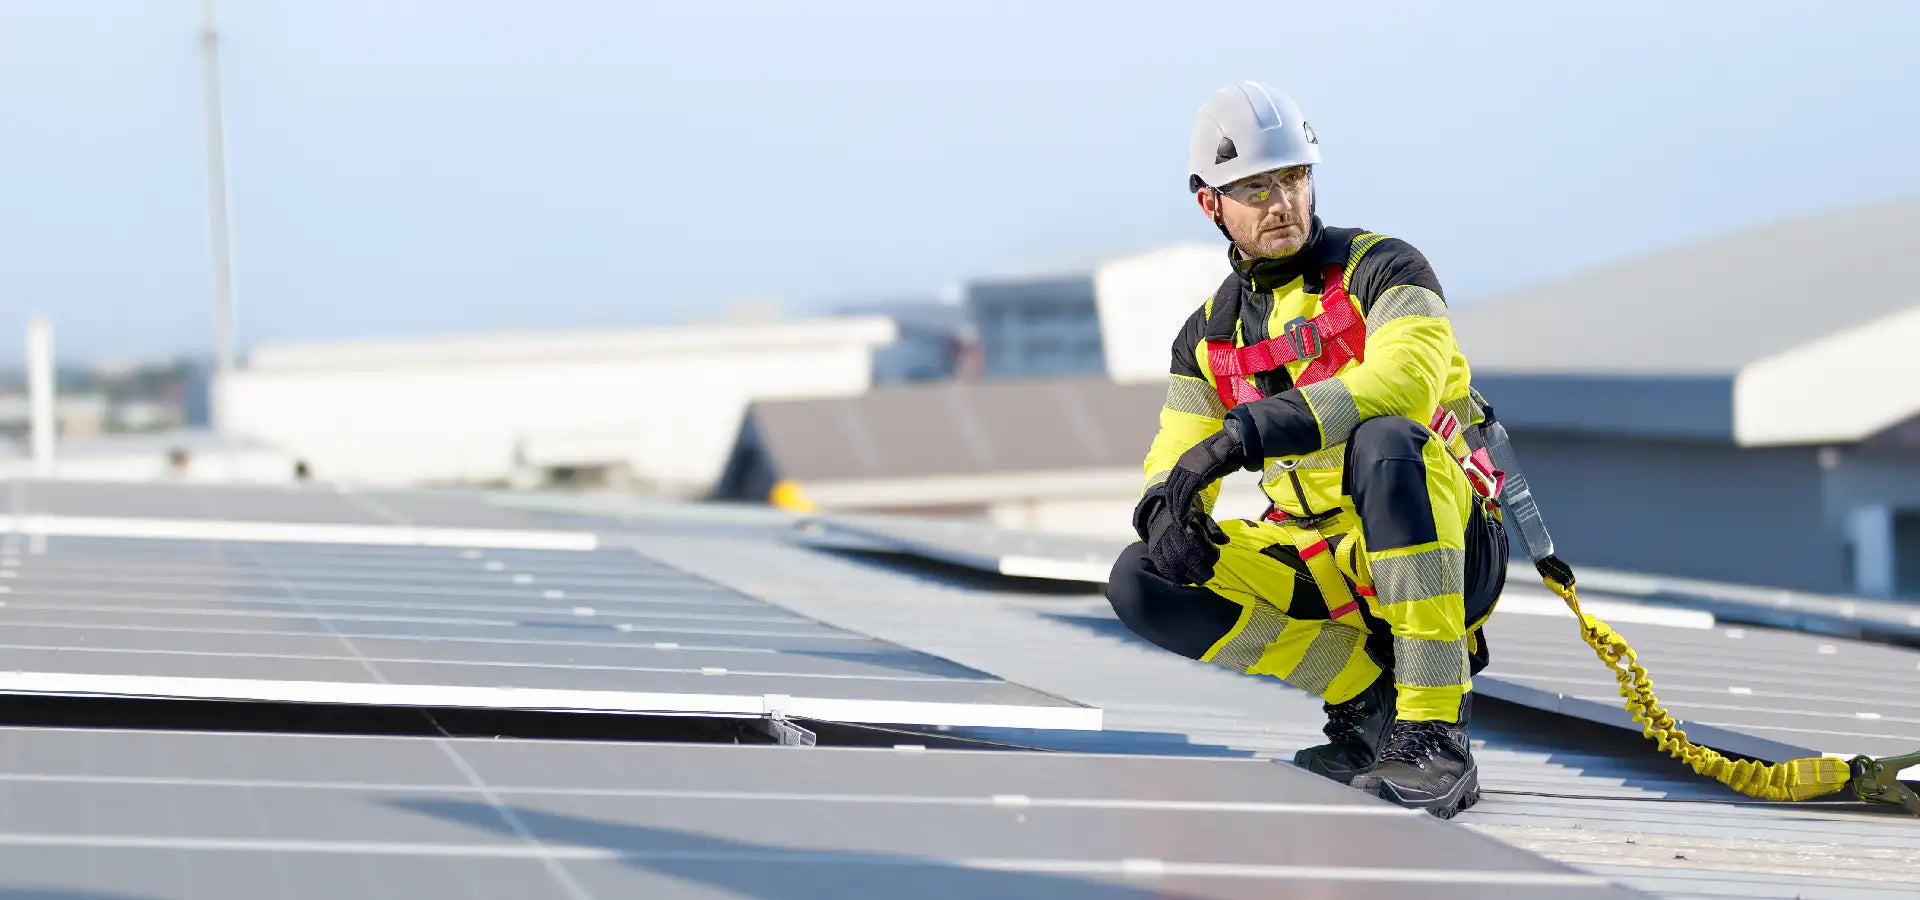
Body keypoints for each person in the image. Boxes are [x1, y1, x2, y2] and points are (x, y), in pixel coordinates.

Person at [1104, 81, 1509, 818]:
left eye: (1293, 178)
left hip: (1444, 543)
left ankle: (1434, 735)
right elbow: (1175, 451)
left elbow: (1405, 383)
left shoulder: (1386, 269)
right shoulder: (1207, 336)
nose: (1281, 203)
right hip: (1325, 564)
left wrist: (1247, 432)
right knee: (1143, 576)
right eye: (1255, 188)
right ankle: (1364, 698)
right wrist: (1165, 510)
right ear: (1211, 204)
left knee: (1388, 443)